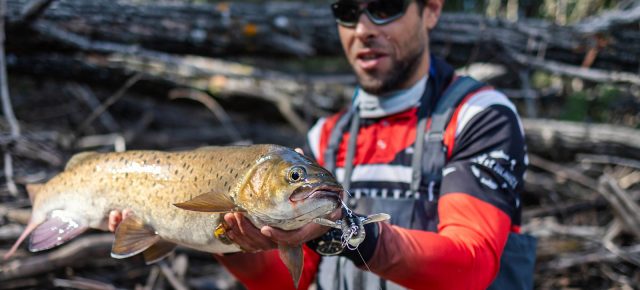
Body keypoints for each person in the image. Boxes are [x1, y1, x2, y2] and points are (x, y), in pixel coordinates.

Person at [110, 0, 536, 289]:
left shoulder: (479, 116)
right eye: (348, 11)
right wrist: (226, 239)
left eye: (385, 8)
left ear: (432, 10)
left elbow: (471, 264)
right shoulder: (326, 137)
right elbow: (286, 281)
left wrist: (356, 236)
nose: (365, 29)